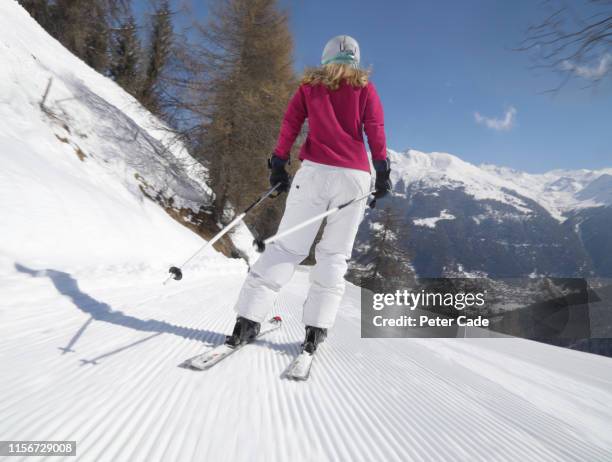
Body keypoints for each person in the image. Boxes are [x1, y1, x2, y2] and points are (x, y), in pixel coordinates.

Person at [226, 35, 391, 353]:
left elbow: (290, 124)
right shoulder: (365, 89)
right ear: (356, 60)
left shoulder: (309, 87)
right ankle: (315, 332)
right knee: (333, 255)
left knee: (287, 249)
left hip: (314, 172)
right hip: (354, 178)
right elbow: (376, 129)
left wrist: (278, 163)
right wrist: (382, 171)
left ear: (325, 57)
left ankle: (246, 321)